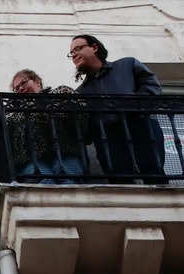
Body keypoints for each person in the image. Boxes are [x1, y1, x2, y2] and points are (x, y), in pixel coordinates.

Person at [69, 34, 165, 176]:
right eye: (71, 53)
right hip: (109, 141)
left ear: (94, 48)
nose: (74, 55)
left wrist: (130, 105)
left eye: (78, 49)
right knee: (121, 184)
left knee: (155, 178)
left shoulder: (127, 65)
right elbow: (85, 129)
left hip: (141, 129)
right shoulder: (81, 92)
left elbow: (152, 87)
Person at [0, 69, 84, 183]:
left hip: (65, 154)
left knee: (70, 185)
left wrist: (41, 105)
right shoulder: (14, 112)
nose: (20, 88)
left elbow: (81, 110)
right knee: (44, 184)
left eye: (23, 83)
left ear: (38, 82)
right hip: (33, 161)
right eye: (16, 88)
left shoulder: (58, 93)